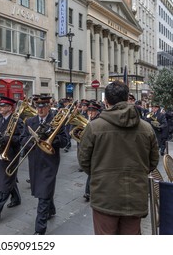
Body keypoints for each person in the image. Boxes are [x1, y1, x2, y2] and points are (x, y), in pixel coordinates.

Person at [78, 81, 159, 235]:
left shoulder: (94, 127)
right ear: (127, 99)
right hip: (135, 197)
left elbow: (84, 161)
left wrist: (100, 175)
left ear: (106, 101)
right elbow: (153, 162)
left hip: (105, 197)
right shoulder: (147, 128)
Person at [20, 96, 68, 234]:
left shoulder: (56, 121)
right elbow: (22, 138)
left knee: (43, 193)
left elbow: (64, 140)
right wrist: (32, 141)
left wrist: (51, 139)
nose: (40, 109)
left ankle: (39, 229)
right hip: (35, 161)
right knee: (44, 190)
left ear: (48, 107)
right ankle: (51, 209)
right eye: (38, 107)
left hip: (49, 162)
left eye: (43, 107)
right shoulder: (30, 121)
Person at [0, 96, 24, 222]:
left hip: (11, 155)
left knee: (5, 182)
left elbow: (21, 139)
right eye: (0, 106)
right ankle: (16, 198)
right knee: (8, 180)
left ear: (9, 108)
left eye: (2, 106)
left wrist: (8, 139)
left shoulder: (17, 121)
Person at [82, 101, 101, 202]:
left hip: (96, 149)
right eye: (89, 111)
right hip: (89, 148)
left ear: (97, 112)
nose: (90, 113)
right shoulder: (88, 120)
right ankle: (88, 191)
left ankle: (88, 192)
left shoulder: (99, 121)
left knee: (92, 171)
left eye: (93, 111)